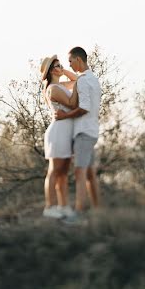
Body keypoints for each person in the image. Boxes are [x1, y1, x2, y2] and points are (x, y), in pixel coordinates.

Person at [54, 46, 102, 213]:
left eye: (70, 61)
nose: (69, 65)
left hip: (83, 132)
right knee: (89, 174)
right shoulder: (93, 79)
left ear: (78, 60)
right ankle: (97, 210)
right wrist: (66, 71)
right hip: (92, 131)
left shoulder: (83, 80)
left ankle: (79, 211)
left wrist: (64, 117)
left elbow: (84, 108)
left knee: (79, 172)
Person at [40, 55, 78, 219]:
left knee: (63, 173)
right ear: (50, 71)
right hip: (58, 132)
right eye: (56, 65)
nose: (60, 67)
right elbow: (72, 103)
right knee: (54, 171)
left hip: (67, 132)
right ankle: (49, 207)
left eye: (60, 64)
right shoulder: (53, 89)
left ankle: (64, 206)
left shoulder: (61, 85)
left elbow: (77, 81)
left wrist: (65, 71)